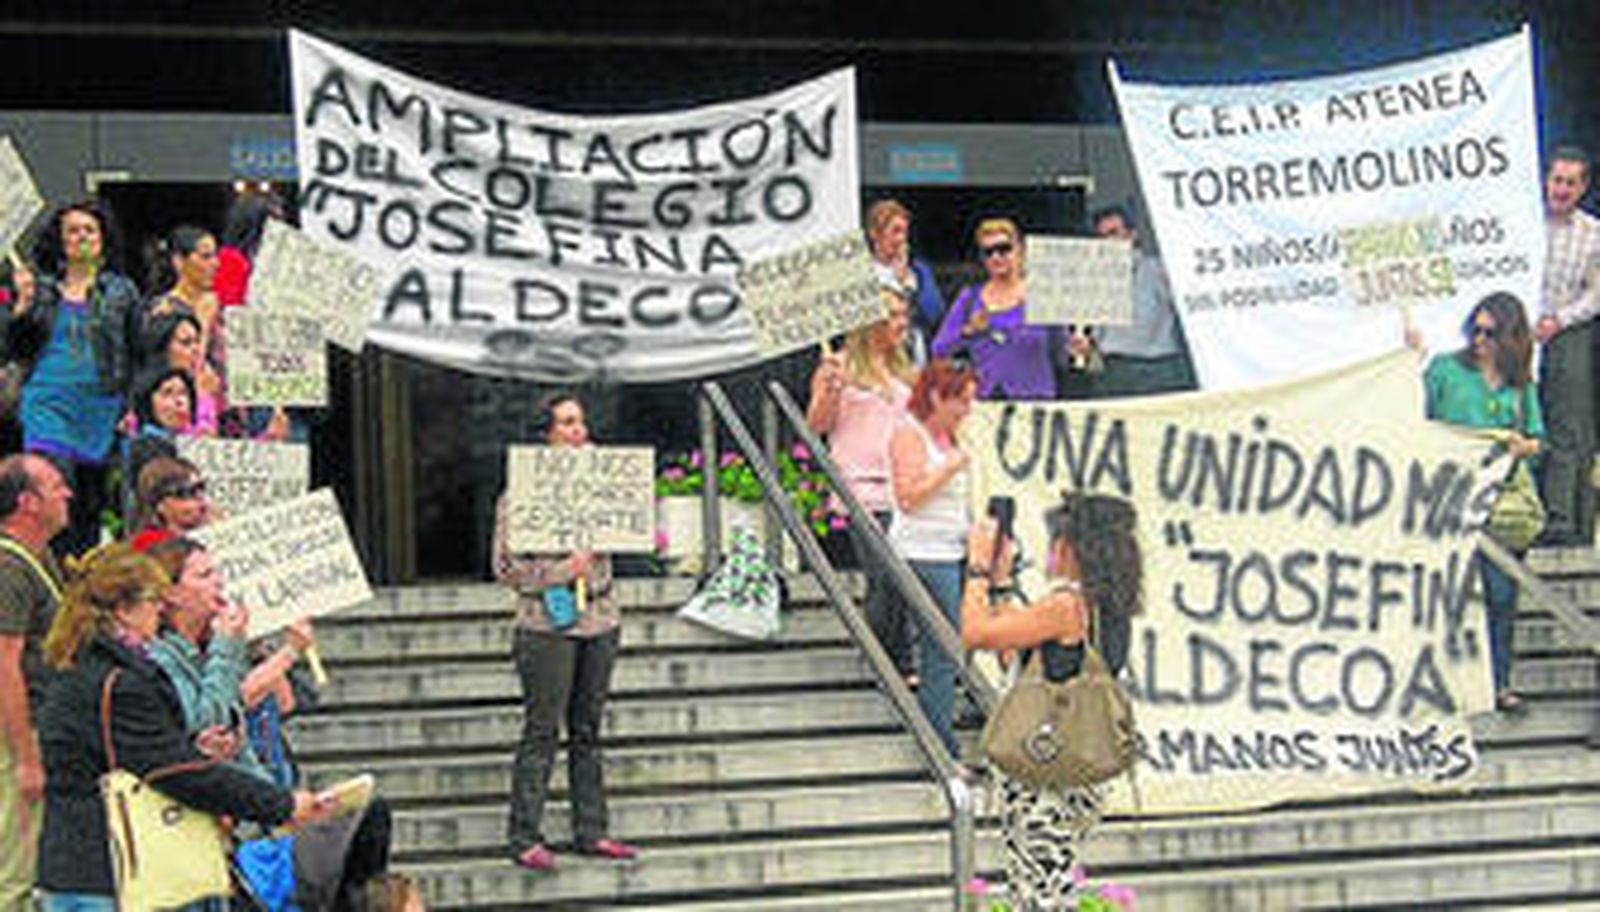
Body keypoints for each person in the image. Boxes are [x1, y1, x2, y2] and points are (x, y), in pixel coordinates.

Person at [33, 541, 334, 909]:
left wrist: (194, 750)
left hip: (86, 865)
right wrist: (281, 804)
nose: (159, 609)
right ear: (124, 610)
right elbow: (174, 769)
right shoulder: (119, 681)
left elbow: (154, 754)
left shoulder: (87, 666)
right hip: (108, 872)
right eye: (152, 599)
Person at [143, 536, 391, 911]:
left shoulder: (208, 650)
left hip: (243, 812)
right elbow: (209, 718)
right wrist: (232, 646)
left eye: (217, 572)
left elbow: (268, 709)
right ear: (171, 594)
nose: (219, 582)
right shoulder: (163, 659)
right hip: (196, 830)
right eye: (204, 575)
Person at [961, 492, 1143, 911]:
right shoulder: (1104, 606)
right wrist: (1001, 585)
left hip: (1046, 777)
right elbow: (1015, 657)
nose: (1051, 548)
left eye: (1057, 539)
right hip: (1074, 772)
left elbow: (975, 633)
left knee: (1041, 895)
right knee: (1043, 887)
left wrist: (977, 569)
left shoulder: (1065, 606)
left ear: (1074, 549)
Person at [493, 392, 638, 871]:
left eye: (581, 423)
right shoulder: (518, 495)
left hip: (600, 617)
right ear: (547, 434)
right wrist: (562, 570)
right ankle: (524, 835)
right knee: (542, 729)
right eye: (568, 423)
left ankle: (591, 830)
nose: (579, 432)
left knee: (587, 730)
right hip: (545, 624)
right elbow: (505, 568)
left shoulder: (602, 487)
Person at [1423, 293, 1544, 713]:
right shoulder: (1444, 369)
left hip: (1500, 506)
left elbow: (1538, 437)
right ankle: (1447, 684)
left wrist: (1523, 446)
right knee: (1448, 596)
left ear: (1511, 337)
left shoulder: (1521, 385)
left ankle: (1498, 682)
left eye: (1490, 333)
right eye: (1474, 330)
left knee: (1500, 596)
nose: (1479, 340)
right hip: (1448, 498)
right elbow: (1417, 420)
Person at [11, 201, 140, 557]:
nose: (82, 237)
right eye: (73, 230)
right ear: (60, 240)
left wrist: (131, 405)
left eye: (89, 230)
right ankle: (49, 565)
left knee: (88, 503)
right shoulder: (41, 288)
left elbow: (136, 352)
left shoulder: (122, 291)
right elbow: (16, 348)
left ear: (102, 238)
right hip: (46, 403)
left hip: (100, 408)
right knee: (51, 487)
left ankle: (78, 570)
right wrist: (22, 307)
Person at [807, 289, 920, 679]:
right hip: (860, 488)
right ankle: (889, 661)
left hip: (903, 487)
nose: (902, 323)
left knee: (902, 575)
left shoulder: (906, 372)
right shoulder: (837, 366)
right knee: (885, 572)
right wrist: (829, 390)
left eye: (904, 315)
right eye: (893, 315)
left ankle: (893, 657)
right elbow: (817, 425)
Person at [887, 359, 978, 755]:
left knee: (948, 646)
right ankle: (939, 743)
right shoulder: (909, 434)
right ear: (939, 397)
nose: (968, 410)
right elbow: (908, 497)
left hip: (954, 548)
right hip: (922, 552)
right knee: (941, 646)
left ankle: (939, 737)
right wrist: (949, 469)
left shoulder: (954, 437)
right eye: (963, 401)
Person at [0, 456, 70, 912]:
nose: (68, 494)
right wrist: (26, 757)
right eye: (57, 486)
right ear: (28, 502)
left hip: (39, 725)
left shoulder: (37, 557)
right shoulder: (8, 569)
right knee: (15, 874)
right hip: (15, 734)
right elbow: (3, 665)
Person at [931, 218, 1088, 400]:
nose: (996, 257)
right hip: (986, 405)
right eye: (988, 252)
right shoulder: (969, 299)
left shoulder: (1041, 295)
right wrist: (969, 331)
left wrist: (1076, 349)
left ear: (1019, 250)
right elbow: (939, 350)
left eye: (1004, 249)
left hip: (1035, 404)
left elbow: (1060, 353)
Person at [1534, 146, 1599, 546]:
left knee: (1567, 422)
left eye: (1571, 183)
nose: (1561, 189)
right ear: (1546, 180)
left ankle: (1560, 518)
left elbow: (1597, 294)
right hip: (1516, 327)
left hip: (1566, 327)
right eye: (1557, 180)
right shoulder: (1520, 217)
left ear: (1583, 187)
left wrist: (1559, 320)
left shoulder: (1594, 233)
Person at [1089, 205, 1196, 397]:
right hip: (1113, 370)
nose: (1108, 242)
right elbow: (1093, 332)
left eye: (1113, 233)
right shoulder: (1092, 278)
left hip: (1157, 367)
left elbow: (1189, 311)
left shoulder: (1158, 269)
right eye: (1101, 237)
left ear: (1132, 235)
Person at [866, 199, 945, 362]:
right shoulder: (863, 273)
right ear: (874, 233)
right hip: (876, 358)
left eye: (904, 232)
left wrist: (905, 281)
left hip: (916, 355)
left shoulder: (919, 271)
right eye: (895, 231)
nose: (901, 239)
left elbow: (935, 314)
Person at [130, 456, 213, 543]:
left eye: (201, 487)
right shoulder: (150, 544)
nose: (200, 496)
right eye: (186, 492)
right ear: (160, 505)